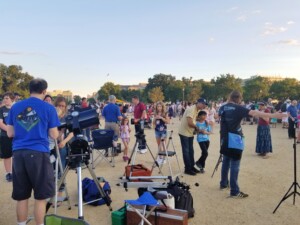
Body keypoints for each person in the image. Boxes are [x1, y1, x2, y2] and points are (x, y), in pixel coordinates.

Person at [7, 78, 60, 225]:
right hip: (38, 154)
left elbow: (10, 133)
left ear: (30, 89)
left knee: (22, 197)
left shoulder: (16, 107)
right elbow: (54, 135)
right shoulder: (49, 108)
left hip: (18, 154)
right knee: (40, 197)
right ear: (44, 91)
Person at [219, 90, 284, 198]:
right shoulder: (239, 108)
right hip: (235, 138)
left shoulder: (223, 107)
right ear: (239, 99)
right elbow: (254, 113)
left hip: (224, 137)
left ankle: (223, 184)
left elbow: (218, 118)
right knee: (235, 164)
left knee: (226, 161)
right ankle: (234, 191)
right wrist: (273, 115)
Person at [178, 98, 208, 176]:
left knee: (191, 151)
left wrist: (204, 121)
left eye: (205, 105)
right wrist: (198, 129)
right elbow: (190, 123)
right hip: (184, 133)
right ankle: (187, 169)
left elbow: (195, 120)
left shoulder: (197, 110)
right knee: (186, 152)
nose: (204, 106)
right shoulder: (191, 109)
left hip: (189, 133)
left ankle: (192, 166)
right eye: (203, 104)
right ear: (198, 103)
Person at [0, 92, 15, 182]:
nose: (5, 100)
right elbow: (0, 123)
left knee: (16, 155)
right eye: (4, 98)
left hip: (16, 136)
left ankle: (16, 172)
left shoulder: (15, 108)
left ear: (12, 99)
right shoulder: (2, 110)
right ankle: (8, 173)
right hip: (4, 135)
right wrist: (9, 130)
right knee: (7, 155)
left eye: (7, 98)